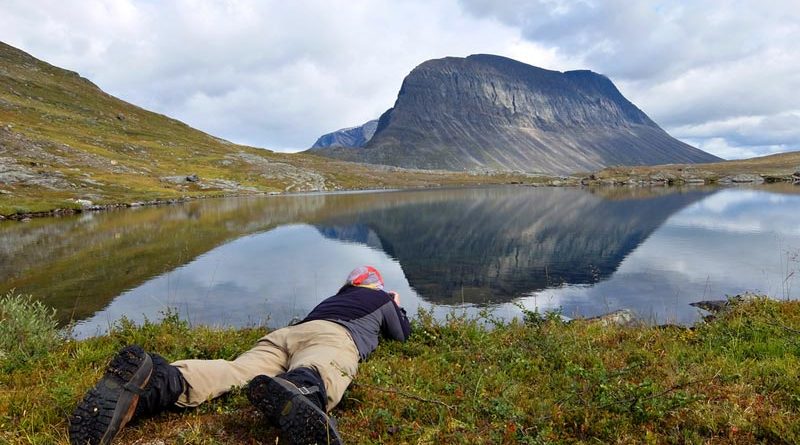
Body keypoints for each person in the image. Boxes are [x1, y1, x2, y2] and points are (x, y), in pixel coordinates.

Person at [69, 265, 411, 445]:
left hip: (287, 334)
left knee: (236, 369)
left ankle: (159, 383)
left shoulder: (334, 298)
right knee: (320, 366)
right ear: (376, 285)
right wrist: (396, 305)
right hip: (334, 336)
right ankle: (302, 390)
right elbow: (401, 335)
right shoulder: (380, 299)